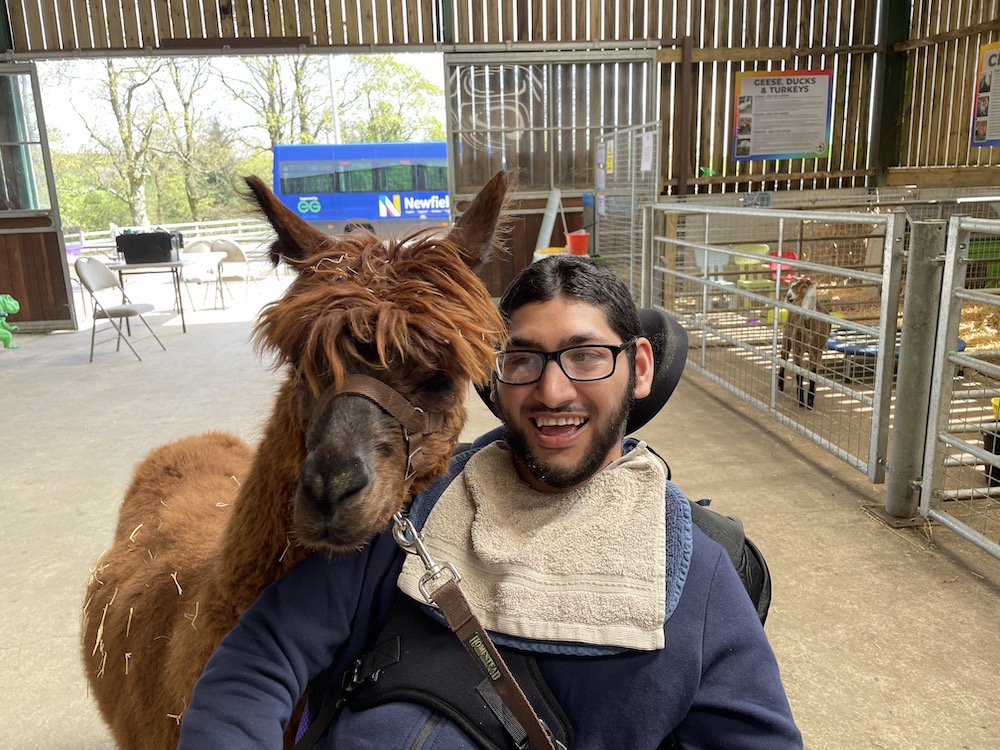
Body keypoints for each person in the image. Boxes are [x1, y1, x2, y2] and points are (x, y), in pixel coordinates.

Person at [178, 255, 803, 749]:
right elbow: (258, 659)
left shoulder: (697, 569)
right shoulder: (422, 508)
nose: (552, 391)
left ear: (639, 368)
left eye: (586, 357)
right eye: (524, 360)